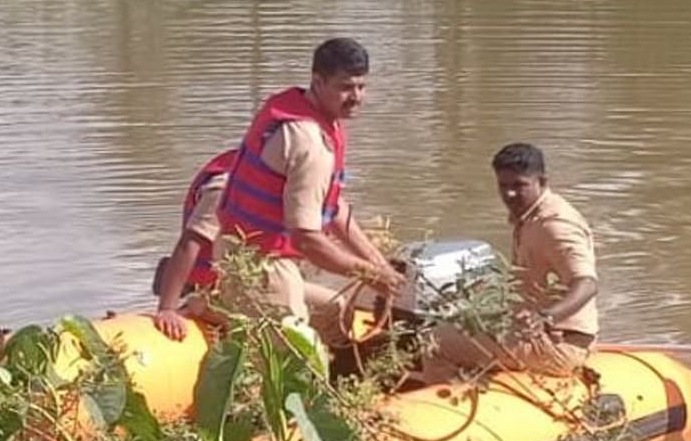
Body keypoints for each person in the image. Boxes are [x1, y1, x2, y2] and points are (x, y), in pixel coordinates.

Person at [212, 37, 403, 344]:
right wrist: (369, 275)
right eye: (345, 87)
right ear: (318, 81)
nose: (356, 97)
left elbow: (333, 206)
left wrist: (378, 263)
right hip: (260, 266)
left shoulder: (303, 110)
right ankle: (210, 309)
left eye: (361, 86)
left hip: (238, 253)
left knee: (335, 311)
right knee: (297, 364)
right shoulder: (309, 141)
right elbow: (306, 238)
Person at [423, 142, 598, 382]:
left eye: (519, 185)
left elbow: (587, 283)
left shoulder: (556, 225)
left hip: (559, 345)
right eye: (503, 186)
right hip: (535, 332)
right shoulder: (529, 215)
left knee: (434, 340)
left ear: (543, 182)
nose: (509, 194)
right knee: (454, 320)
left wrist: (546, 317)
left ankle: (449, 407)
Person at [152, 148, 237, 341]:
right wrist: (167, 309)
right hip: (213, 295)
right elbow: (190, 243)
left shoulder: (293, 180)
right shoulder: (226, 186)